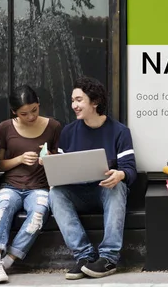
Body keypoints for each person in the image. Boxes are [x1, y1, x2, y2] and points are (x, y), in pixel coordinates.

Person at [48, 76, 137, 280]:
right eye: (73, 100)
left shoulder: (119, 132)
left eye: (79, 100)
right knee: (56, 193)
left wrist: (120, 174)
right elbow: (62, 170)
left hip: (106, 191)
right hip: (78, 192)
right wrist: (51, 164)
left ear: (94, 102)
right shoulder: (68, 132)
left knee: (118, 186)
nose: (74, 105)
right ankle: (84, 256)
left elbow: (130, 169)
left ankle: (108, 258)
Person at [0, 85, 62, 283]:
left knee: (38, 215)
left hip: (39, 187)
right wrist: (20, 159)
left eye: (34, 110)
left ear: (39, 104)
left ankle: (6, 263)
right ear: (14, 112)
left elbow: (60, 162)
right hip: (11, 186)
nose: (31, 117)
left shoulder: (54, 126)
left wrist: (50, 159)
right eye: (24, 113)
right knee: (2, 209)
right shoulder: (5, 127)